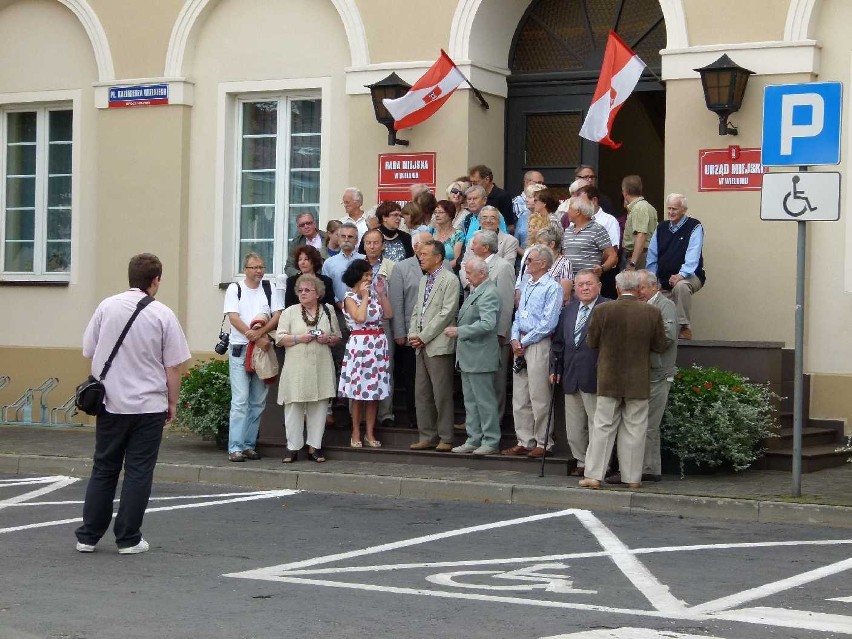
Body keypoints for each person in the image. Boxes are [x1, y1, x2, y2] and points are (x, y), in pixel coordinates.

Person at [75, 253, 190, 554]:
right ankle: (128, 538)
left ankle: (88, 536)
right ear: (156, 280)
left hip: (110, 403)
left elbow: (89, 348)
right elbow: (173, 366)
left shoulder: (106, 306)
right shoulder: (163, 314)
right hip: (149, 405)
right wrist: (173, 402)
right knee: (138, 471)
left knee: (104, 468)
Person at [580, 270, 667, 490]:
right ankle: (632, 478)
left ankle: (594, 476)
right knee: (635, 429)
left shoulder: (602, 310)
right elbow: (660, 345)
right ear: (638, 289)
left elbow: (591, 342)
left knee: (602, 427)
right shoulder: (652, 312)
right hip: (638, 379)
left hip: (609, 377)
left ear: (617, 288)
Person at [603, 269, 677, 483]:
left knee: (648, 423)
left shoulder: (665, 306)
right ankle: (647, 468)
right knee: (640, 423)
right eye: (637, 287)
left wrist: (637, 343)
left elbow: (669, 337)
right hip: (641, 372)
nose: (639, 291)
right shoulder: (643, 306)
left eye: (642, 287)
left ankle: (643, 469)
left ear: (655, 286)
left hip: (657, 373)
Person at [275, 274, 342, 463]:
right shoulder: (290, 312)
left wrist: (326, 339)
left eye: (307, 290)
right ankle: (292, 448)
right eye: (300, 290)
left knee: (319, 407)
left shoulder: (328, 310)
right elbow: (279, 339)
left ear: (318, 293)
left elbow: (337, 337)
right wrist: (298, 338)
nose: (302, 293)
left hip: (321, 366)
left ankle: (315, 447)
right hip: (296, 368)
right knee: (293, 406)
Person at [550, 269, 610, 477]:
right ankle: (582, 461)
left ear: (599, 286)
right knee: (574, 428)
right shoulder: (569, 310)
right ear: (574, 288)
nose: (584, 288)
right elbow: (558, 344)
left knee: (597, 425)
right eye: (581, 284)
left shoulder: (607, 308)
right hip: (570, 375)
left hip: (595, 376)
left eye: (589, 284)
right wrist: (554, 369)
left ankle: (598, 465)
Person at [504, 245, 562, 458]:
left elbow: (549, 322)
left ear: (543, 263)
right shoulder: (527, 284)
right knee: (520, 394)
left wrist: (525, 341)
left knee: (539, 394)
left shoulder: (552, 287)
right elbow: (519, 314)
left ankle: (543, 442)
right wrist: (514, 338)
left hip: (538, 343)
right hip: (521, 342)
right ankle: (524, 439)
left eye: (530, 260)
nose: (526, 264)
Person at [224, 252, 283, 462]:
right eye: (254, 267)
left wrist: (261, 332)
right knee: (240, 401)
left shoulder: (269, 287)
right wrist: (254, 336)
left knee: (258, 401)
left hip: (263, 350)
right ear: (245, 270)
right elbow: (233, 317)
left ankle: (249, 444)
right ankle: (235, 447)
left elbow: (277, 315)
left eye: (261, 267)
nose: (259, 271)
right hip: (240, 349)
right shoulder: (235, 288)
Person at [445, 257, 502, 456]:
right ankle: (474, 438)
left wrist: (460, 331)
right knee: (471, 402)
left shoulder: (489, 292)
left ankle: (491, 440)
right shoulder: (477, 291)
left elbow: (488, 324)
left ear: (482, 273)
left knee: (484, 402)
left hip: (481, 356)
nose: (466, 276)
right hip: (469, 356)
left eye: (469, 273)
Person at [408, 239, 460, 451]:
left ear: (438, 257)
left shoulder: (450, 280)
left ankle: (446, 437)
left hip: (438, 344)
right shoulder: (424, 280)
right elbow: (417, 310)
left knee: (442, 393)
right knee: (422, 393)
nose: (421, 258)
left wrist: (424, 336)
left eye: (425, 255)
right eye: (420, 254)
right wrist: (413, 333)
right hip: (421, 344)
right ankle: (427, 435)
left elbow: (446, 313)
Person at [460, 230, 515, 422]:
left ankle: (495, 424)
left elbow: (507, 303)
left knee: (495, 384)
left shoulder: (503, 267)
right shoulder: (476, 266)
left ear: (484, 247)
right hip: (477, 337)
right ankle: (478, 424)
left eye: (474, 243)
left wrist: (501, 333)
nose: (471, 246)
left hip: (494, 335)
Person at [338, 259, 393, 448]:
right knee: (358, 392)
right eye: (367, 275)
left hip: (377, 345)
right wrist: (365, 296)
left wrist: (380, 294)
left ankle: (370, 432)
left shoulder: (373, 295)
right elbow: (360, 318)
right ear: (357, 276)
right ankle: (355, 431)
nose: (370, 277)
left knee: (373, 391)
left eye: (371, 274)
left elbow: (388, 314)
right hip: (360, 345)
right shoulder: (349, 297)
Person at [646, 193, 705, 340]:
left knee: (681, 287)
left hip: (690, 276)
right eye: (669, 208)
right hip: (664, 279)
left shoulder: (694, 226)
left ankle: (684, 327)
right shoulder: (661, 228)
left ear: (684, 210)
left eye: (675, 209)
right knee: (650, 295)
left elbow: (693, 255)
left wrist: (681, 275)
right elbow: (652, 256)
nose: (671, 212)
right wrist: (654, 280)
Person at [389, 231, 432, 429]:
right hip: (410, 332)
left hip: (435, 332)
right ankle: (415, 417)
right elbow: (396, 303)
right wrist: (399, 332)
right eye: (426, 243)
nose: (430, 246)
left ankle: (432, 416)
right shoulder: (402, 267)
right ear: (415, 247)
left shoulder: (443, 266)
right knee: (412, 379)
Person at [362, 228, 396, 426]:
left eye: (376, 243)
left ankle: (385, 413)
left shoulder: (392, 267)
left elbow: (396, 299)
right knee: (362, 367)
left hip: (383, 320)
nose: (372, 247)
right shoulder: (357, 265)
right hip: (361, 321)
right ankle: (358, 415)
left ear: (383, 245)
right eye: (368, 243)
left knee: (385, 367)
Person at [575, 182, 621, 300]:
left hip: (603, 276)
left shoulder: (609, 221)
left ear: (594, 201)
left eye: (581, 202)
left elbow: (613, 251)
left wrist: (598, 266)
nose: (578, 206)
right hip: (579, 280)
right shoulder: (575, 222)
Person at [561, 196, 618, 279]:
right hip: (568, 282)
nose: (567, 212)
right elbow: (564, 254)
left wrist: (602, 268)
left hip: (588, 283)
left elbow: (613, 256)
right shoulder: (567, 231)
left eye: (570, 209)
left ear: (578, 212)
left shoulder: (597, 229)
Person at [516, 226, 574, 306]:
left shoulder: (564, 264)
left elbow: (564, 296)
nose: (536, 246)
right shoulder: (534, 260)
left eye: (540, 242)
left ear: (552, 244)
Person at [621, 174, 658, 271]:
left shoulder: (639, 208)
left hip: (640, 256)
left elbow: (641, 235)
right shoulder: (645, 206)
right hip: (642, 255)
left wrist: (633, 263)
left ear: (625, 193)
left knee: (635, 284)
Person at [469, 164, 516, 232]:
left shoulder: (502, 196)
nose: (473, 186)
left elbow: (510, 225)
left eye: (475, 183)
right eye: (471, 183)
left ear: (487, 179)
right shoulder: (472, 196)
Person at [284, 212, 327, 277]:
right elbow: (288, 267)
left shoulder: (327, 238)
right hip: (303, 279)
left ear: (314, 224)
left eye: (308, 223)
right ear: (298, 228)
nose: (306, 226)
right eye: (302, 225)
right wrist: (301, 274)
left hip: (324, 276)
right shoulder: (296, 243)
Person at [512, 170, 545, 252]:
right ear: (526, 182)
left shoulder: (549, 217)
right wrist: (525, 257)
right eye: (538, 182)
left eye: (541, 183)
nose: (540, 186)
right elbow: (515, 241)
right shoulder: (518, 206)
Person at [430, 199, 464, 269]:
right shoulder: (431, 232)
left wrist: (439, 269)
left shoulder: (458, 234)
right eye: (435, 212)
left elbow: (456, 260)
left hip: (449, 272)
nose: (437, 215)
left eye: (440, 212)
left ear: (450, 214)